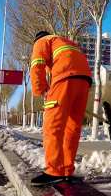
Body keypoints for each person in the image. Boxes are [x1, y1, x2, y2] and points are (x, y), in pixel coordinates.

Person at [29, 30, 92, 186]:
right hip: (84, 80)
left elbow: (37, 64)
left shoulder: (42, 41)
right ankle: (66, 171)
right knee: (72, 128)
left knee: (53, 126)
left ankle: (53, 171)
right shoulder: (65, 42)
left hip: (65, 76)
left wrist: (41, 89)